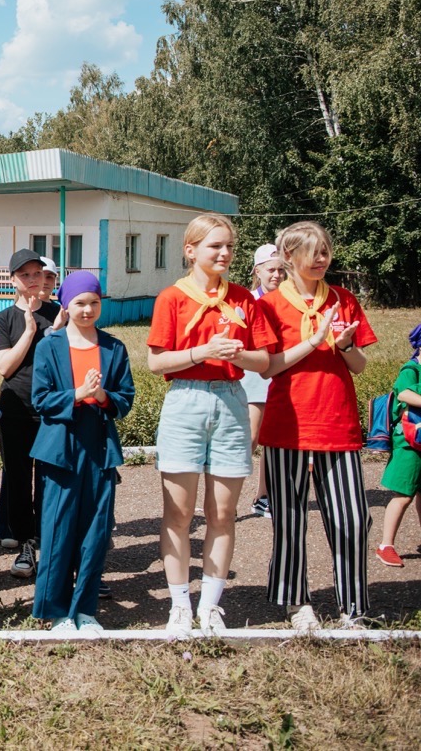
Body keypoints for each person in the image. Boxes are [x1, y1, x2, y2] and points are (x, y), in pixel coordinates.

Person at [147, 214, 276, 634]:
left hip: (230, 400)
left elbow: (266, 362)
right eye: (214, 246)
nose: (224, 254)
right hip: (185, 400)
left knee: (222, 512)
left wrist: (236, 355)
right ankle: (179, 604)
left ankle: (210, 605)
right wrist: (204, 351)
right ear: (191, 251)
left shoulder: (243, 299)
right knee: (179, 513)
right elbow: (155, 361)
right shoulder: (172, 298)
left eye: (229, 247)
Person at [258, 221, 376, 631]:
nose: (322, 259)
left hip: (336, 420)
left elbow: (360, 367)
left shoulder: (343, 299)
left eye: (325, 251)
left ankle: (354, 606)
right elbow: (270, 367)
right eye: (313, 252)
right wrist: (313, 341)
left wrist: (344, 346)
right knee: (290, 517)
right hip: (287, 421)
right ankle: (296, 602)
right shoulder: (270, 305)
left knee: (352, 518)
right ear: (288, 257)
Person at [30, 272, 136, 634]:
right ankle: (56, 611)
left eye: (93, 302)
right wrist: (76, 394)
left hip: (99, 447)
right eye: (79, 303)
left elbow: (125, 398)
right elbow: (40, 399)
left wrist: (104, 396)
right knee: (58, 528)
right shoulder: (49, 346)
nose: (87, 309)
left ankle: (86, 610)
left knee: (96, 530)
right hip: (60, 448)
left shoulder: (114, 348)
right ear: (65, 304)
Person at [0, 249, 62, 579]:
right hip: (15, 409)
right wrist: (30, 332)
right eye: (25, 275)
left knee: (49, 480)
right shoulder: (4, 319)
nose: (33, 280)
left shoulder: (58, 313)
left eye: (37, 274)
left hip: (50, 411)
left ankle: (48, 541)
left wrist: (57, 331)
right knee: (18, 478)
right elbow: (4, 367)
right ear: (13, 280)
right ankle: (25, 545)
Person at [242, 243, 285, 517]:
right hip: (253, 376)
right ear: (258, 270)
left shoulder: (289, 300)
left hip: (281, 374)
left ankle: (263, 496)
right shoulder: (246, 300)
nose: (277, 275)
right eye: (271, 270)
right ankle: (225, 500)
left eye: (282, 270)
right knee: (251, 437)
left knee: (274, 439)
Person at [377, 324, 421, 568]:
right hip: (409, 442)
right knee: (403, 495)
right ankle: (386, 545)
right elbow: (403, 393)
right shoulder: (411, 369)